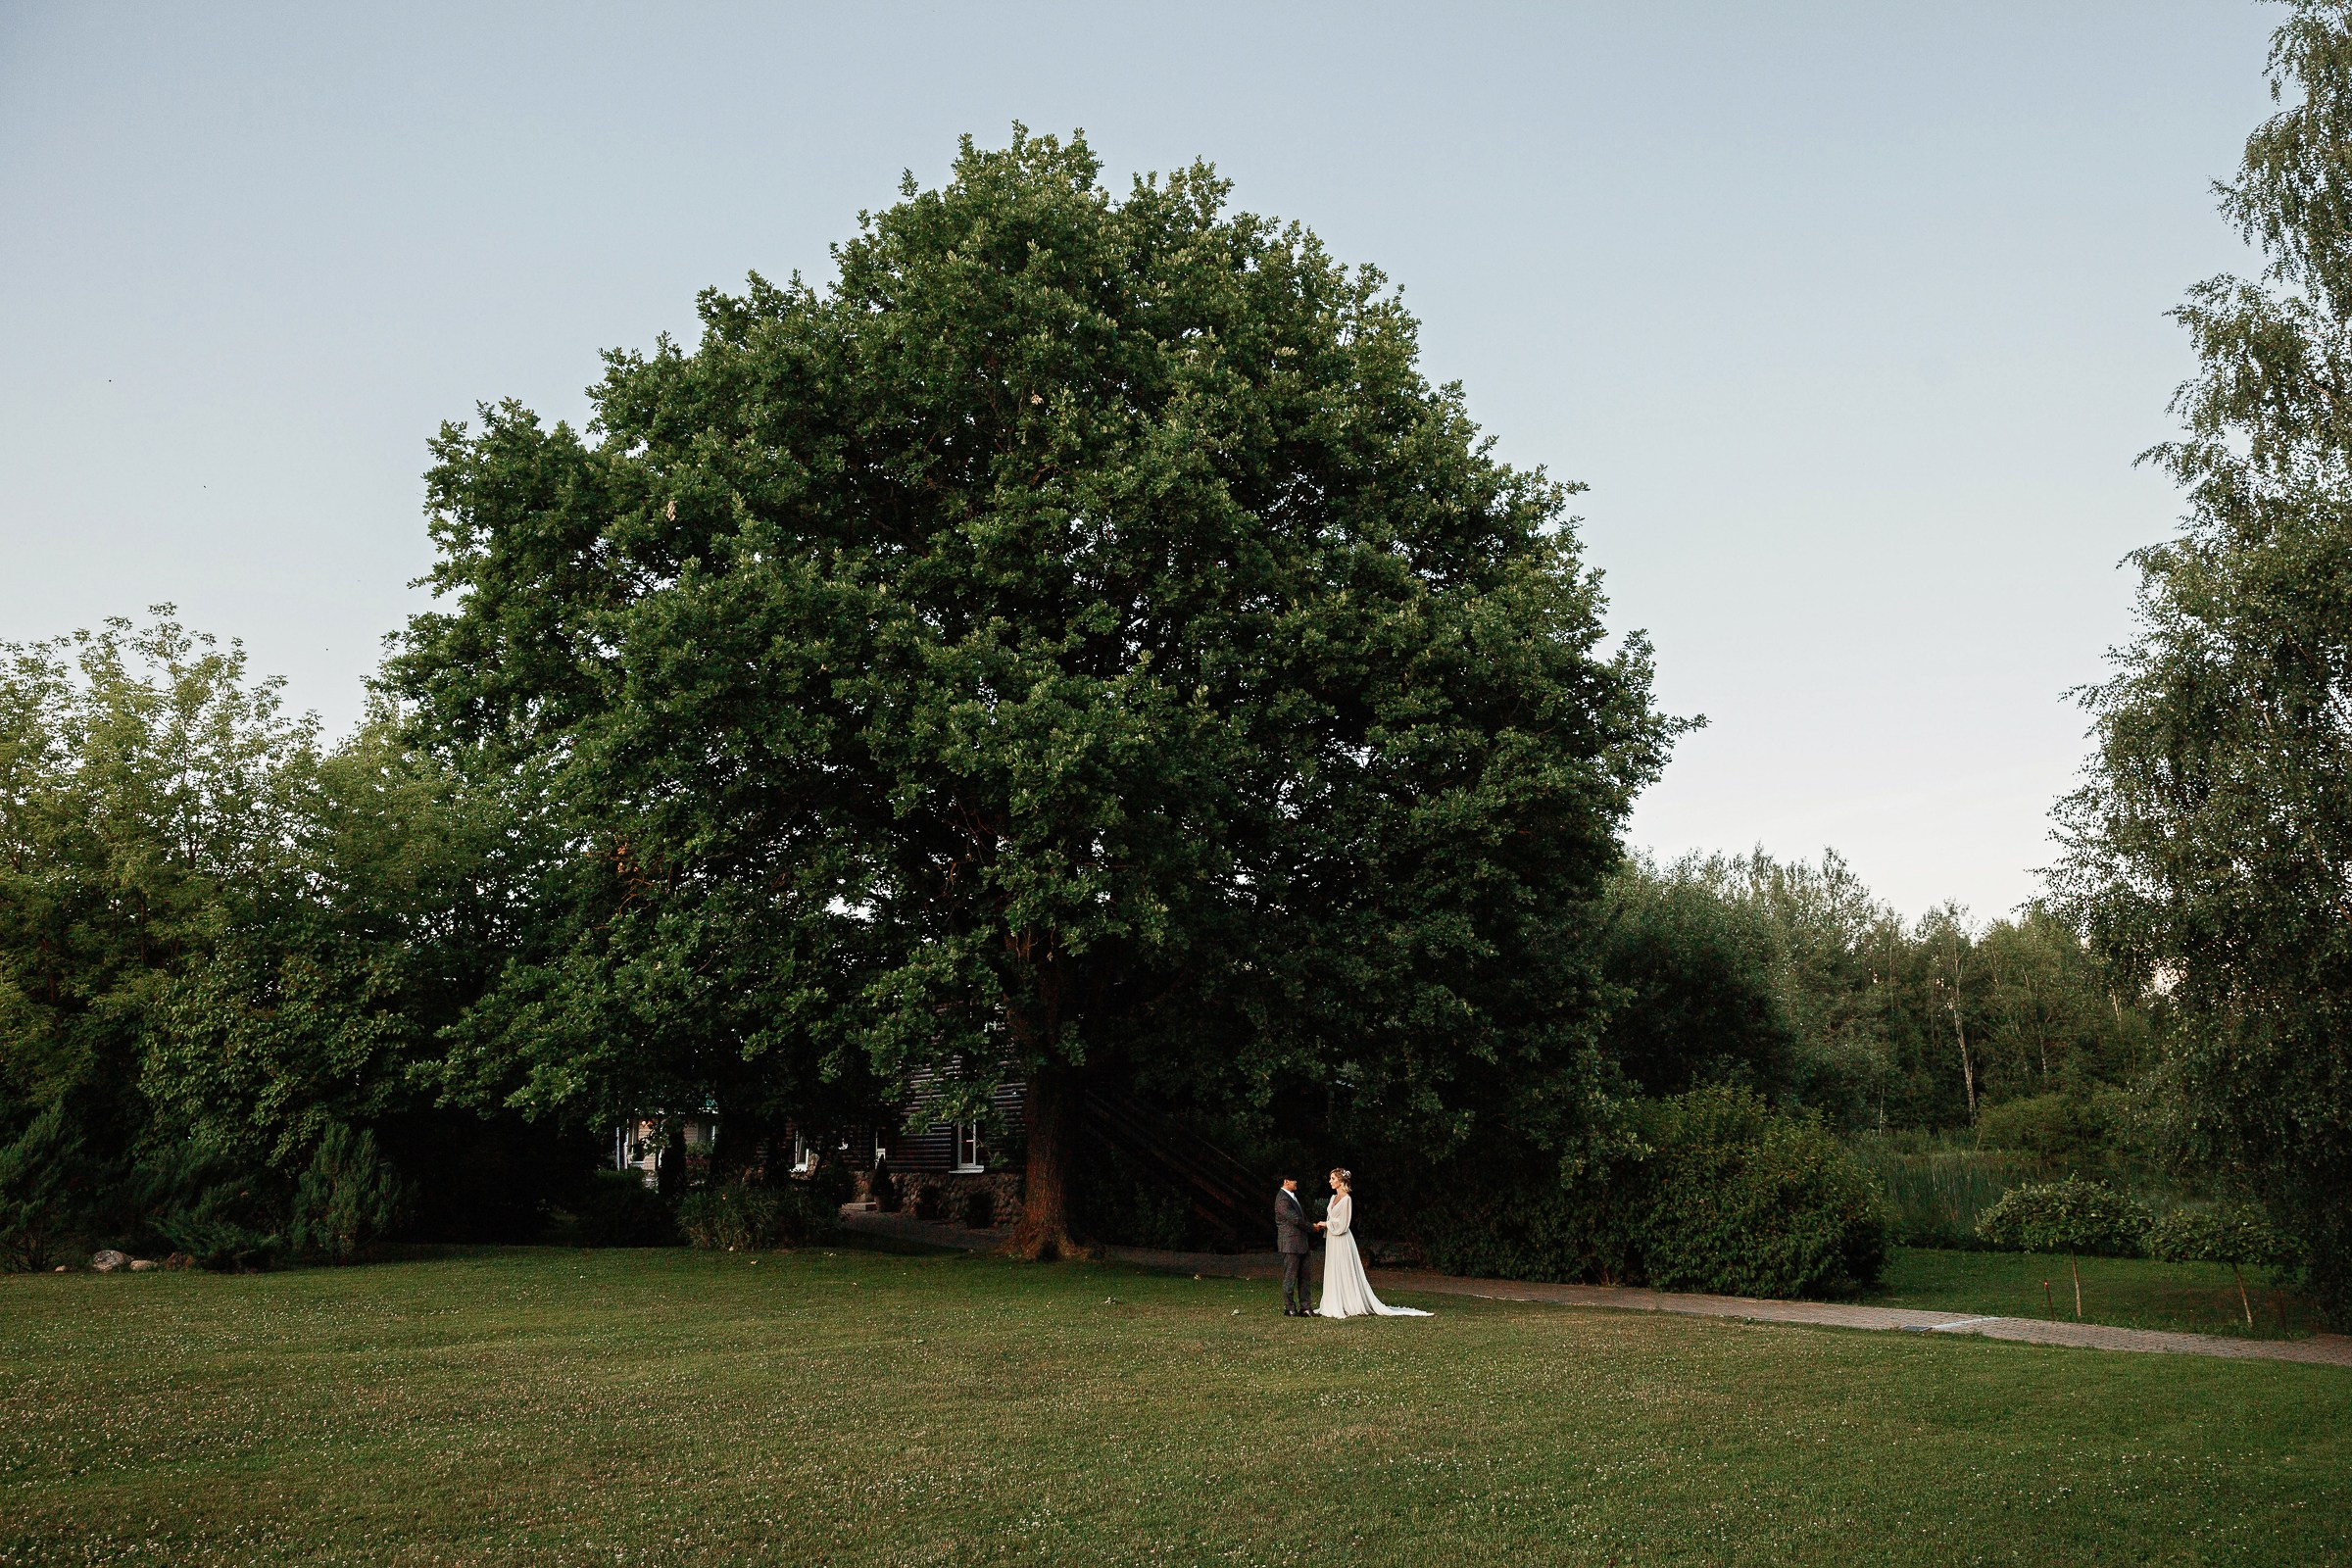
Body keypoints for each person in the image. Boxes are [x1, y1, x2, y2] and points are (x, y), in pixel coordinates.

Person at [1314, 1168, 1431, 1319]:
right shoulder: (1332, 1198)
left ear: (1340, 1181)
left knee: (1344, 1267)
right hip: (1332, 1238)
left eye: (1333, 1178)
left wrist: (1325, 1224)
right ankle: (1334, 1300)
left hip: (1342, 1239)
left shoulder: (1347, 1199)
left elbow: (1344, 1223)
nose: (1330, 1181)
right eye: (1330, 1178)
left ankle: (1349, 1301)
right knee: (1333, 1267)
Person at [1274, 1175, 1317, 1316]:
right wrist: (1312, 1227)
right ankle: (1290, 1307)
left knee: (1305, 1277)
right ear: (1286, 1181)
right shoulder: (1282, 1198)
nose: (1296, 1181)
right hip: (1290, 1244)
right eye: (1294, 1179)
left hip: (1301, 1243)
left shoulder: (1291, 1197)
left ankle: (1305, 1307)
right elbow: (1295, 1219)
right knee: (1290, 1277)